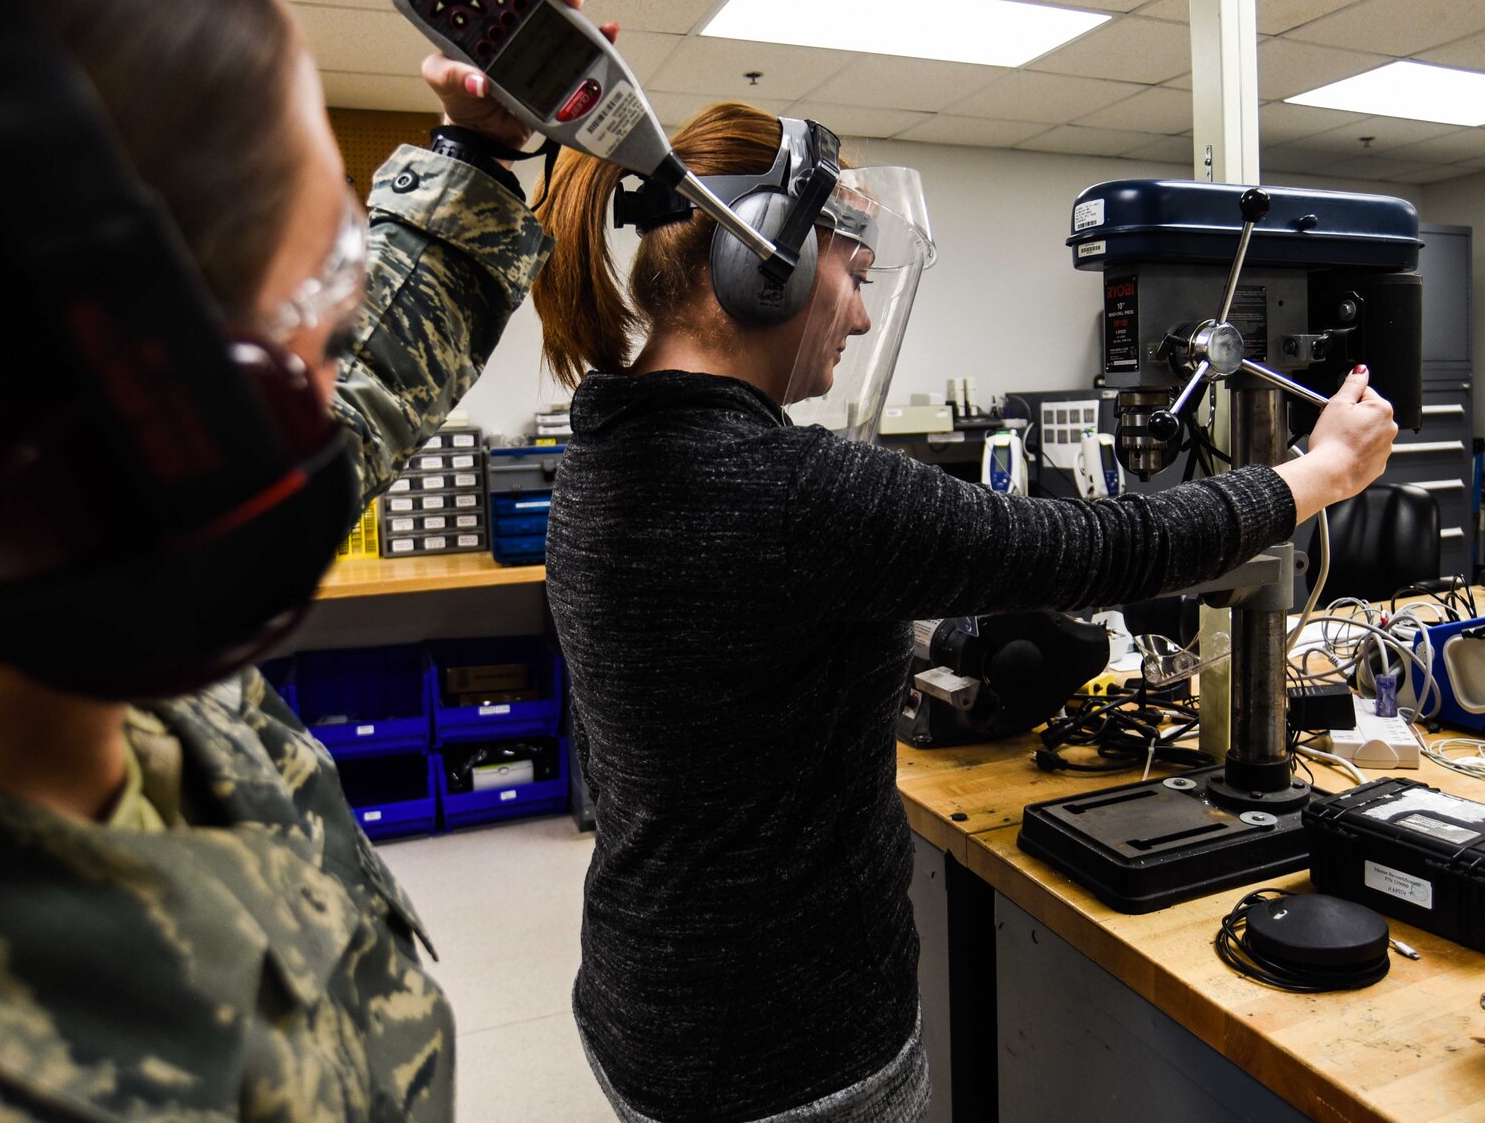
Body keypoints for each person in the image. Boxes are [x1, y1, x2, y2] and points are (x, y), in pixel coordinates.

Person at [0, 0, 608, 1118]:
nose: (323, 388)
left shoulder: (93, 618)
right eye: (314, 295)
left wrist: (477, 156)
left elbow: (360, 387)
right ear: (134, 440)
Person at [532, 102, 1399, 1122]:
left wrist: (932, 632)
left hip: (645, 999)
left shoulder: (602, 454)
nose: (857, 316)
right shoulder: (800, 490)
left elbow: (741, 640)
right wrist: (1318, 472)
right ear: (758, 267)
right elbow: (1099, 547)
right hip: (790, 1055)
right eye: (851, 278)